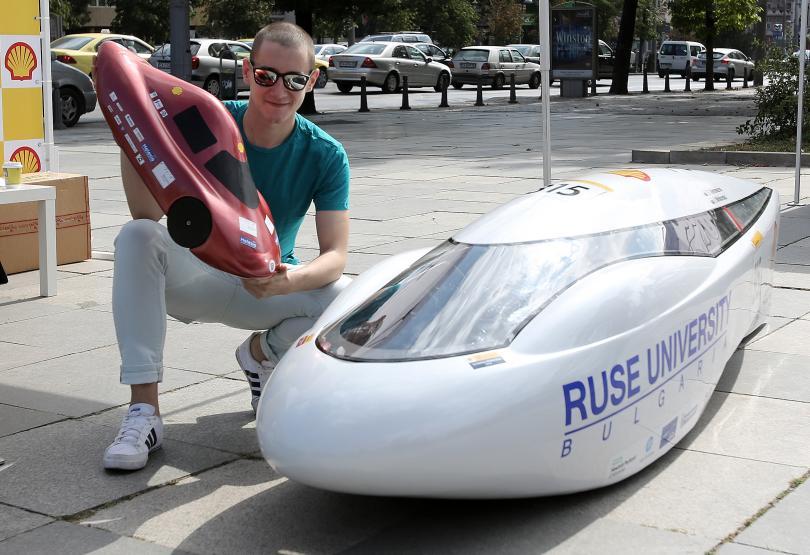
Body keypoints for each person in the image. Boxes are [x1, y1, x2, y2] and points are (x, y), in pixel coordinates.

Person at [103, 22, 350, 471]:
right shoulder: (208, 120)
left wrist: (286, 282)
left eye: (295, 79)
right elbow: (147, 214)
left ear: (311, 80)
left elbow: (335, 255)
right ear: (247, 69)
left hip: (265, 285)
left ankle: (260, 357)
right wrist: (134, 131)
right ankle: (144, 411)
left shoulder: (325, 153)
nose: (280, 89)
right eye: (267, 76)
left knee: (350, 301)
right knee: (136, 237)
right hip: (196, 275)